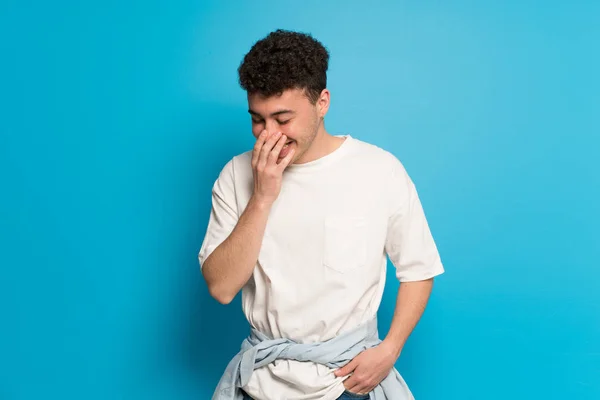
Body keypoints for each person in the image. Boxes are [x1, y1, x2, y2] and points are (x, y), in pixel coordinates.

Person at [198, 29, 444, 400]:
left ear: (322, 102)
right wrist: (262, 197)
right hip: (261, 381)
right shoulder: (236, 175)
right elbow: (220, 288)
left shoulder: (379, 170)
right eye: (258, 120)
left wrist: (389, 349)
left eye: (283, 119)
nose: (269, 135)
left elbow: (419, 269)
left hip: (348, 380)